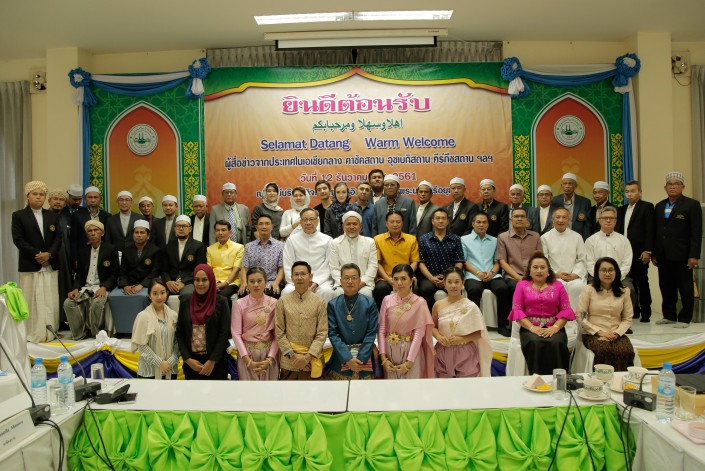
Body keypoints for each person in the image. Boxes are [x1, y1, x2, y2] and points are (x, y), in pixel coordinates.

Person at [508, 251, 575, 375]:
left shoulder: (558, 285)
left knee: (557, 342)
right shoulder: (521, 285)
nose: (539, 270)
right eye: (535, 267)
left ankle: (559, 379)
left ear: (548, 270)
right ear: (529, 270)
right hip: (529, 328)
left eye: (542, 267)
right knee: (535, 342)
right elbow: (517, 311)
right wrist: (533, 328)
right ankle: (537, 379)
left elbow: (566, 310)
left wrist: (555, 328)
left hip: (555, 327)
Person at [11, 181, 62, 342]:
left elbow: (58, 238)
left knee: (50, 300)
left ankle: (51, 332)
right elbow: (18, 240)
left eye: (41, 194)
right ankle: (33, 332)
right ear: (28, 196)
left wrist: (49, 254)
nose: (38, 197)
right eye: (35, 194)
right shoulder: (19, 215)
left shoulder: (52, 216)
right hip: (30, 264)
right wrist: (38, 255)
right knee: (32, 300)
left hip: (50, 264)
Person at [653, 171, 702, 327]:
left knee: (685, 287)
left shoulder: (691, 205)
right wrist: (655, 253)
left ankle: (685, 318)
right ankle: (669, 315)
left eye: (676, 184)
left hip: (683, 255)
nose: (673, 187)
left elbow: (696, 232)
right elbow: (656, 231)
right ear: (665, 187)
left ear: (683, 187)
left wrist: (694, 255)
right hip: (663, 255)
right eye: (670, 184)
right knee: (666, 286)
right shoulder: (659, 205)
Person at [432, 267, 492, 378]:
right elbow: (433, 327)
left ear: (463, 283)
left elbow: (478, 333)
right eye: (449, 282)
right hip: (442, 350)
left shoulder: (471, 306)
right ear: (444, 284)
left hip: (464, 352)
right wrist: (439, 337)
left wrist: (461, 339)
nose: (453, 285)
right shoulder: (438, 305)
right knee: (443, 384)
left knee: (466, 385)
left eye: (457, 282)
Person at [64, 220, 119, 339]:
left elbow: (114, 274)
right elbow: (79, 274)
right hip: (86, 288)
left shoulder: (111, 249)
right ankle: (80, 333)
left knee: (97, 302)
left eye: (96, 230)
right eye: (90, 231)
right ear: (86, 234)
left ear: (102, 233)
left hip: (102, 287)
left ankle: (97, 334)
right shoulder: (82, 250)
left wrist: (104, 287)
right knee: (68, 303)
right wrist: (75, 288)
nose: (93, 233)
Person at [577, 257, 635, 371]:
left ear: (616, 272)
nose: (607, 274)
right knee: (604, 349)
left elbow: (628, 318)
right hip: (593, 333)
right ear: (597, 272)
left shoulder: (624, 291)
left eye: (611, 270)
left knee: (625, 350)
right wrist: (600, 332)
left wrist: (616, 333)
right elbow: (580, 316)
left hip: (616, 333)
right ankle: (601, 380)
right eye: (603, 270)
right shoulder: (588, 290)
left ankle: (620, 380)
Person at [378, 264, 435, 379]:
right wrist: (384, 359)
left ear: (411, 280)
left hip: (410, 351)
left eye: (403, 279)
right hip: (390, 352)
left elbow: (419, 334)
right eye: (396, 279)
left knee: (412, 387)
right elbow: (382, 329)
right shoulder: (387, 300)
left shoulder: (419, 302)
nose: (399, 283)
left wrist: (409, 363)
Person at [175, 264, 231, 380]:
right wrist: (187, 359)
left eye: (204, 280)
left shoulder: (221, 302)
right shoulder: (185, 301)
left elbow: (224, 333)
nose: (200, 284)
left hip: (216, 363)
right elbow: (180, 333)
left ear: (211, 280)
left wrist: (212, 361)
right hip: (192, 363)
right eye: (197, 280)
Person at [275, 261, 328, 380]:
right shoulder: (283, 301)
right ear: (291, 277)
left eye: (303, 274)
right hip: (290, 362)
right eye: (296, 274)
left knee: (315, 392)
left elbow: (322, 333)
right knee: (289, 392)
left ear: (310, 277)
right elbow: (279, 332)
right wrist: (293, 356)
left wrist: (307, 358)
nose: (299, 277)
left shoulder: (319, 302)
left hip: (313, 360)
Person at [461, 212, 511, 336]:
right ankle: (474, 326)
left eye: (484, 222)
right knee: (474, 290)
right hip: (473, 275)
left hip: (491, 274)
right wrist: (477, 273)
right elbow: (464, 262)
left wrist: (492, 273)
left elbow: (497, 261)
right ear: (473, 224)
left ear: (488, 225)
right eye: (478, 222)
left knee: (503, 288)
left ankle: (502, 325)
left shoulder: (494, 240)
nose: (481, 225)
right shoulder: (464, 240)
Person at [327, 263, 379, 380]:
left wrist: (361, 358)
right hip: (340, 361)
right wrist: (348, 358)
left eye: (354, 278)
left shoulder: (369, 303)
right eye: (346, 278)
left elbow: (371, 333)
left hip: (364, 362)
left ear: (360, 280)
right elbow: (333, 334)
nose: (350, 281)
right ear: (340, 281)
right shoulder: (333, 305)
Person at [496, 206, 543, 334]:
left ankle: (538, 321)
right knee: (516, 286)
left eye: (522, 216)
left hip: (533, 275)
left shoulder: (535, 236)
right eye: (516, 216)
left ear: (527, 220)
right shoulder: (503, 237)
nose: (519, 219)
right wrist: (518, 277)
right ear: (511, 220)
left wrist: (534, 275)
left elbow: (539, 258)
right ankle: (514, 324)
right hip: (513, 276)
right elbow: (502, 262)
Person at [108, 219, 160, 333]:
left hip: (146, 285)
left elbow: (154, 272)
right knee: (113, 296)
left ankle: (144, 329)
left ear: (148, 235)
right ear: (133, 234)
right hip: (130, 284)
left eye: (142, 232)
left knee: (143, 297)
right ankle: (122, 330)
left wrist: (141, 285)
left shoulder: (155, 250)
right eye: (136, 232)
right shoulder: (127, 251)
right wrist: (125, 285)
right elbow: (122, 272)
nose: (139, 235)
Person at [584, 206, 637, 312]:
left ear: (616, 221)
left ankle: (625, 318)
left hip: (620, 277)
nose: (608, 220)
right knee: (587, 289)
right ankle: (593, 316)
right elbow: (589, 263)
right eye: (605, 218)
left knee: (630, 290)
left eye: (611, 218)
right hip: (596, 276)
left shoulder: (624, 240)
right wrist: (601, 276)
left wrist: (616, 277)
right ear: (599, 220)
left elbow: (627, 263)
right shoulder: (591, 241)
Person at [231, 267, 280, 380]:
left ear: (266, 282)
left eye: (259, 281)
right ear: (246, 284)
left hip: (269, 354)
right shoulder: (239, 304)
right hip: (247, 354)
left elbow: (278, 334)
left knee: (270, 389)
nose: (256, 285)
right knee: (248, 390)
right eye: (252, 281)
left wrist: (270, 358)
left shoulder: (274, 303)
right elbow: (236, 333)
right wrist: (247, 359)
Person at [617, 180, 655, 322]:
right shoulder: (622, 209)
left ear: (640, 192)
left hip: (640, 252)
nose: (629, 194)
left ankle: (646, 311)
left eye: (633, 191)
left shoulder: (647, 207)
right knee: (629, 282)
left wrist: (648, 250)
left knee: (642, 282)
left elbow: (650, 230)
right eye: (627, 191)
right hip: (625, 253)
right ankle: (634, 311)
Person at [282, 208, 335, 301]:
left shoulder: (327, 240)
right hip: (297, 280)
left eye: (311, 219)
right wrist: (299, 282)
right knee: (287, 291)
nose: (308, 223)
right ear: (300, 222)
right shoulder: (292, 240)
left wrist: (316, 282)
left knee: (326, 292)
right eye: (305, 219)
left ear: (317, 221)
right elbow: (288, 264)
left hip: (321, 281)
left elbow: (328, 264)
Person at [131, 278, 180, 379]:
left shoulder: (173, 315)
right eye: (155, 293)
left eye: (162, 293)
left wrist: (171, 361)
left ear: (167, 293)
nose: (159, 297)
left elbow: (177, 341)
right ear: (149, 295)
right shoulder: (143, 316)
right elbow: (141, 345)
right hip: (149, 371)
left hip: (170, 369)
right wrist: (160, 363)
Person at [417, 208, 464, 310]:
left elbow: (459, 261)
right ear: (432, 221)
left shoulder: (456, 239)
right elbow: (421, 262)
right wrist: (431, 278)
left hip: (450, 276)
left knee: (456, 289)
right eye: (438, 218)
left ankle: (454, 316)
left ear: (447, 221)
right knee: (426, 289)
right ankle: (431, 316)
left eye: (443, 218)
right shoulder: (424, 239)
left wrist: (449, 277)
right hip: (429, 277)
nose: (441, 221)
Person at [540, 207, 587, 310]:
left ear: (569, 220)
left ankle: (575, 318)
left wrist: (575, 274)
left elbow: (581, 259)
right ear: (553, 220)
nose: (561, 220)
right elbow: (544, 260)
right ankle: (559, 317)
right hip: (554, 276)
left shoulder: (577, 237)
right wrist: (555, 274)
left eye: (564, 217)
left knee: (578, 286)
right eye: (558, 217)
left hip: (574, 276)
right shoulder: (545, 238)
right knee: (558, 286)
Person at [373, 210, 420, 307]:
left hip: (406, 278)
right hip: (385, 278)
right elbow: (378, 263)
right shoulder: (377, 239)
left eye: (398, 222)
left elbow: (415, 262)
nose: (395, 224)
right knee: (380, 289)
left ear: (402, 223)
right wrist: (389, 279)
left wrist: (405, 277)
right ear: (386, 224)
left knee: (415, 289)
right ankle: (383, 315)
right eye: (392, 222)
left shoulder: (411, 239)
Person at [329, 211, 377, 299]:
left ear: (360, 226)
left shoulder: (370, 242)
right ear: (343, 226)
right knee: (339, 293)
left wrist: (361, 283)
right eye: (348, 224)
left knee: (365, 294)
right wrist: (345, 283)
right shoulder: (335, 243)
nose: (351, 227)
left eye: (355, 224)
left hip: (363, 283)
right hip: (342, 284)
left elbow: (373, 266)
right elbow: (334, 268)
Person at [161, 215, 207, 307]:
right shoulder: (168, 247)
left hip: (189, 281)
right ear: (174, 229)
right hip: (171, 281)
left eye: (184, 226)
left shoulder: (198, 246)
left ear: (190, 229)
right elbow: (163, 270)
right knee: (158, 294)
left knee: (187, 295)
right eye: (178, 226)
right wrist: (168, 281)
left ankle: (184, 317)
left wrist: (183, 282)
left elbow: (199, 270)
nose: (181, 229)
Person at [240, 214, 285, 298]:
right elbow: (244, 268)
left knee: (274, 293)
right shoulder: (249, 246)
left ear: (272, 227)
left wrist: (276, 283)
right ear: (257, 227)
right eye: (261, 224)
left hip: (271, 282)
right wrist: (244, 283)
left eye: (267, 224)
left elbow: (281, 268)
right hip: (253, 282)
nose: (264, 226)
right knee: (243, 293)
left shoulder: (280, 246)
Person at [207, 220, 244, 306]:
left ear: (230, 232)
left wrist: (225, 283)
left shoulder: (239, 248)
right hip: (215, 282)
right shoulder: (210, 249)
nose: (220, 233)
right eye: (217, 230)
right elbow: (209, 270)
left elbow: (236, 270)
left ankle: (227, 315)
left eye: (223, 230)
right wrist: (213, 284)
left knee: (222, 296)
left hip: (231, 283)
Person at [70, 186, 111, 264]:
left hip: (102, 254)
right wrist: (75, 259)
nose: (93, 200)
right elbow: (73, 240)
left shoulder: (107, 216)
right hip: (83, 254)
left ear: (100, 199)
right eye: (90, 197)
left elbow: (108, 238)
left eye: (95, 197)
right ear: (85, 200)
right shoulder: (77, 215)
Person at [551, 172, 591, 240]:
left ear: (576, 185)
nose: (567, 186)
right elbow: (552, 220)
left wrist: (585, 240)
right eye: (565, 183)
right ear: (561, 185)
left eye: (570, 183)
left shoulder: (584, 202)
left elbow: (587, 225)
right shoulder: (554, 201)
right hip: (558, 236)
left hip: (577, 238)